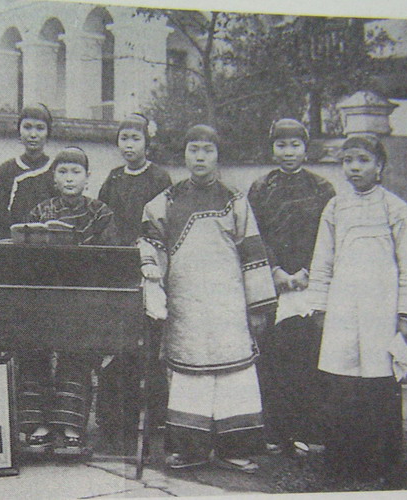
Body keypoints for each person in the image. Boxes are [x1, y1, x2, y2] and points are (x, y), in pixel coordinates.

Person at [139, 125, 276, 473]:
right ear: (184, 155)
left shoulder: (235, 199)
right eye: (193, 149)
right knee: (189, 374)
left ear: (218, 155)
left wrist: (258, 305)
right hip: (187, 304)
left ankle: (235, 448)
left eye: (208, 150)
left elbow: (253, 252)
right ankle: (190, 450)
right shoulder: (165, 201)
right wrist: (153, 274)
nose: (200, 157)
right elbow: (150, 244)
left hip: (229, 303)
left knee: (235, 374)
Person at [307, 134, 407, 486]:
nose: (354, 167)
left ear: (380, 166)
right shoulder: (335, 208)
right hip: (343, 310)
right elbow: (323, 260)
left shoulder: (397, 209)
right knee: (342, 386)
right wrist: (320, 305)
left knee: (380, 385)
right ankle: (343, 462)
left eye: (362, 160)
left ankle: (383, 464)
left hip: (382, 312)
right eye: (348, 160)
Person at [19, 147, 118, 453]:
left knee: (75, 358)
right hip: (45, 297)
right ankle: (39, 425)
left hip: (82, 298)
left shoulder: (101, 213)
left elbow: (111, 258)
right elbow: (23, 255)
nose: (69, 178)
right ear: (54, 178)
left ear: (87, 178)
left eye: (76, 172)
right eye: (63, 172)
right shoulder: (39, 212)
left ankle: (72, 426)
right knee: (36, 355)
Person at [247, 119, 336, 456]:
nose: (288, 152)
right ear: (272, 148)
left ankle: (304, 431)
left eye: (295, 145)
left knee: (306, 357)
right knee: (272, 359)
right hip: (273, 286)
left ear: (305, 147)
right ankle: (273, 432)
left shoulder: (322, 189)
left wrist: (308, 272)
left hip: (310, 285)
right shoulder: (260, 189)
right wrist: (275, 271)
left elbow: (328, 236)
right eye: (281, 145)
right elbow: (253, 234)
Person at [95, 113, 172, 444]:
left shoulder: (159, 178)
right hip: (118, 269)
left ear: (147, 142)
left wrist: (149, 256)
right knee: (116, 346)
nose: (129, 145)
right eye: (123, 138)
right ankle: (113, 421)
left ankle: (154, 420)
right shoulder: (112, 179)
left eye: (135, 138)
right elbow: (101, 218)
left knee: (150, 347)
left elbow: (164, 223)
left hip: (150, 266)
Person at [0, 104, 54, 238]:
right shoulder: (6, 170)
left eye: (40, 128)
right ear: (19, 131)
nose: (33, 134)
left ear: (48, 133)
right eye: (27, 127)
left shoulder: (55, 170)